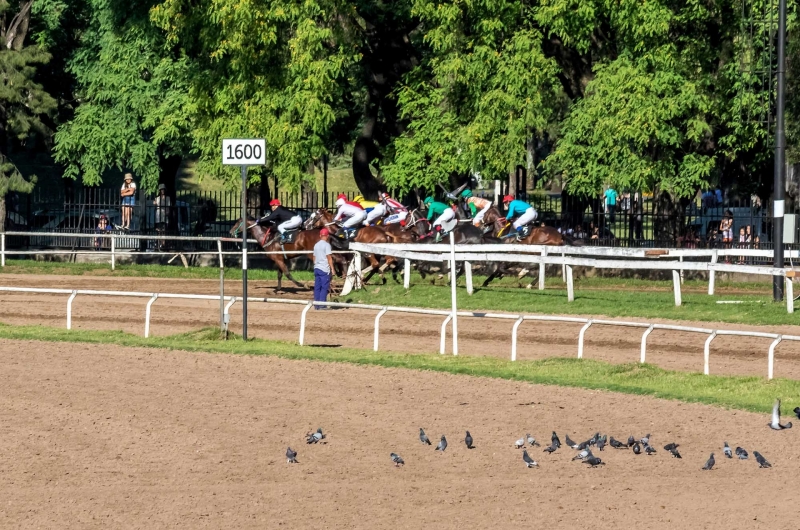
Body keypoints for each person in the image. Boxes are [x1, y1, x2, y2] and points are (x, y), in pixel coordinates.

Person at [313, 228, 335, 309]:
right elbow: (329, 258)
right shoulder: (327, 245)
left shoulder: (316, 245)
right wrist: (332, 269)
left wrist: (316, 265)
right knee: (324, 287)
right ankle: (322, 304)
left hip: (316, 268)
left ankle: (316, 304)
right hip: (324, 269)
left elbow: (314, 258)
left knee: (317, 287)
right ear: (327, 236)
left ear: (320, 235)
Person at [153, 183, 171, 249]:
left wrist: (167, 212)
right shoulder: (157, 198)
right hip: (158, 213)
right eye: (161, 190)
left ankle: (163, 243)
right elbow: (155, 204)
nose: (162, 191)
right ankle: (158, 243)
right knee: (158, 229)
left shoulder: (167, 198)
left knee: (164, 229)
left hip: (164, 213)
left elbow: (168, 207)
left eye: (163, 190)